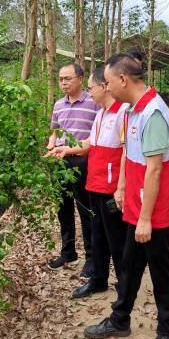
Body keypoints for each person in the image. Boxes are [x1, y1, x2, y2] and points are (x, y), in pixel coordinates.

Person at [84, 53, 169, 339]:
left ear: (123, 79)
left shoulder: (153, 113)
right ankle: (120, 319)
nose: (106, 87)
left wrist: (145, 218)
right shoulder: (132, 110)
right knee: (130, 266)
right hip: (138, 205)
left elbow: (155, 169)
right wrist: (122, 188)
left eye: (107, 82)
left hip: (159, 211)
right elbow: (130, 156)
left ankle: (167, 332)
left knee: (161, 270)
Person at [47, 66, 128, 299]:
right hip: (89, 176)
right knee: (93, 228)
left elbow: (125, 150)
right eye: (60, 79)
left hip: (103, 179)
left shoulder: (118, 111)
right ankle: (95, 276)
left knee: (110, 232)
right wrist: (61, 148)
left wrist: (121, 187)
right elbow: (87, 141)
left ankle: (122, 283)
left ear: (104, 86)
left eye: (92, 88)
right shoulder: (100, 113)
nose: (90, 93)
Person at [46, 62, 101, 277]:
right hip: (60, 161)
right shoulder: (59, 104)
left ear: (80, 78)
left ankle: (92, 258)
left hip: (82, 161)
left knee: (85, 209)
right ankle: (68, 252)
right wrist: (51, 144)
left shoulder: (93, 102)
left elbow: (97, 135)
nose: (63, 83)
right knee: (63, 208)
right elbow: (54, 130)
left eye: (67, 78)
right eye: (60, 79)